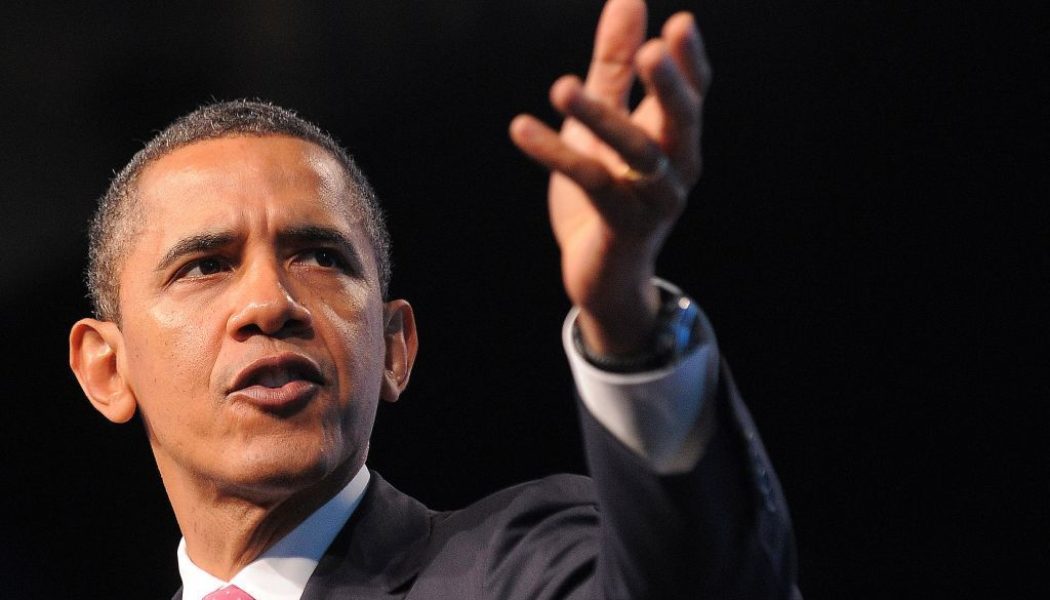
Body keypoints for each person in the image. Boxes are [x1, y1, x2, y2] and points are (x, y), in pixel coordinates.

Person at [68, 1, 799, 598]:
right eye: (205, 265)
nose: (271, 302)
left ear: (394, 348)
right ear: (106, 369)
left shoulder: (519, 567)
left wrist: (625, 318)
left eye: (321, 257)